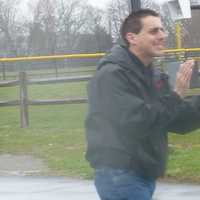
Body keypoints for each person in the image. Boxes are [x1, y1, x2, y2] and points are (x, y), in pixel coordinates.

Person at [85, 9, 200, 200]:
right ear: (132, 37)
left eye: (162, 30)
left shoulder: (152, 74)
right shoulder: (112, 76)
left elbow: (175, 119)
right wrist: (176, 95)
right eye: (154, 31)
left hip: (143, 173)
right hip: (120, 174)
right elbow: (136, 121)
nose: (162, 35)